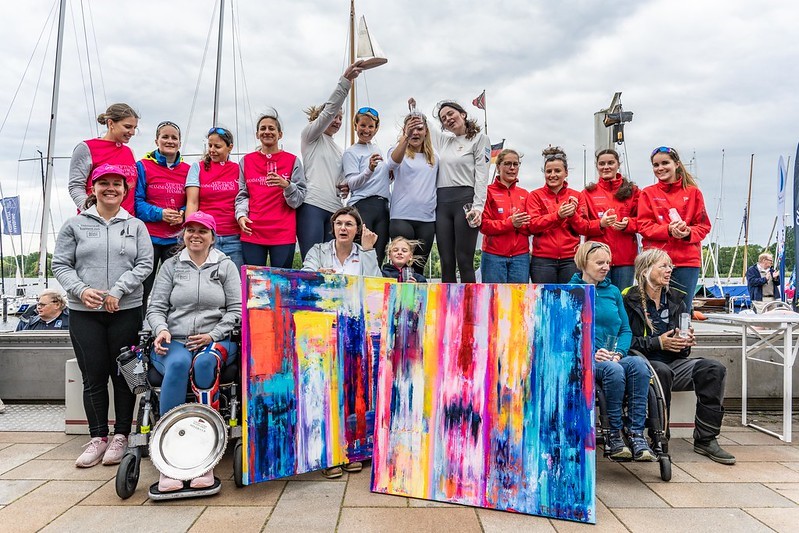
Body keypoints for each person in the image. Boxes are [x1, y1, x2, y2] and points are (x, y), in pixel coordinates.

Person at [53, 163, 153, 468]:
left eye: (117, 184)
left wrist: (118, 291)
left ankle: (121, 434)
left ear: (125, 191)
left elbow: (145, 264)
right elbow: (60, 265)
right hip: (85, 313)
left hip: (125, 310)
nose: (111, 189)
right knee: (93, 376)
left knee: (123, 376)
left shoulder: (135, 226)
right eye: (104, 183)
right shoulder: (75, 225)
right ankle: (98, 437)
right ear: (92, 189)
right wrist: (82, 290)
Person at [146, 211, 242, 492]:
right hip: (174, 338)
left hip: (216, 339)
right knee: (177, 365)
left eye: (202, 230)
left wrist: (212, 335)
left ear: (213, 237)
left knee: (204, 363)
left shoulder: (225, 266)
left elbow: (236, 311)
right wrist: (160, 329)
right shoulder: (171, 266)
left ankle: (204, 457)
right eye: (190, 230)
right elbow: (156, 307)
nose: (195, 235)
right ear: (183, 234)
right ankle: (170, 459)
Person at [623, 248, 735, 465]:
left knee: (714, 369)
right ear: (646, 270)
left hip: (675, 361)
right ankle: (660, 437)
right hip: (642, 362)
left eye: (670, 265)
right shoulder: (629, 297)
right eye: (663, 266)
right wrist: (658, 342)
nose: (669, 270)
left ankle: (706, 439)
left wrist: (684, 343)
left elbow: (683, 348)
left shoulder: (676, 299)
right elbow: (624, 341)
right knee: (661, 371)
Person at [301, 206, 378, 479]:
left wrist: (369, 251)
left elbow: (376, 285)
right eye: (339, 223)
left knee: (354, 391)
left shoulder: (364, 253)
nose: (343, 228)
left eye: (349, 224)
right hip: (323, 329)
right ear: (332, 227)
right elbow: (303, 281)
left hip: (357, 329)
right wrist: (317, 275)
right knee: (325, 391)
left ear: (358, 230)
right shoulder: (317, 251)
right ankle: (328, 453)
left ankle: (352, 450)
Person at [571, 241, 655, 461]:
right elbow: (566, 334)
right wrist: (590, 353)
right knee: (613, 371)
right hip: (585, 359)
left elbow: (625, 329)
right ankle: (613, 434)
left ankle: (636, 433)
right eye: (600, 262)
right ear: (583, 262)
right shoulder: (570, 291)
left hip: (613, 355)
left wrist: (618, 352)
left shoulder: (614, 292)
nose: (606, 267)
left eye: (608, 262)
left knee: (639, 365)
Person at [297, 61, 364, 259]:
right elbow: (329, 109)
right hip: (312, 206)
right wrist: (345, 81)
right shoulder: (311, 136)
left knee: (331, 262)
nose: (336, 120)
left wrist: (345, 186)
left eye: (340, 118)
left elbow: (340, 178)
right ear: (322, 118)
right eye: (333, 116)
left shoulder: (339, 150)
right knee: (312, 260)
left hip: (335, 210)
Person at [637, 146, 711, 313]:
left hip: (686, 261)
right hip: (654, 262)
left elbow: (704, 226)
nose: (660, 168)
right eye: (656, 165)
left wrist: (687, 233)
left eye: (665, 163)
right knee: (652, 312)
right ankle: (658, 340)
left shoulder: (693, 193)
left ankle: (681, 339)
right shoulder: (647, 193)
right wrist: (668, 230)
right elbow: (643, 225)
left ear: (676, 164)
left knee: (681, 313)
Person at [236, 108, 307, 268]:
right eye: (263, 128)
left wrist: (287, 186)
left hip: (282, 233)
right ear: (257, 134)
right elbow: (242, 195)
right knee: (253, 285)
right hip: (252, 231)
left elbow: (298, 200)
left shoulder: (292, 161)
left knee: (280, 286)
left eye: (271, 128)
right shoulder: (246, 161)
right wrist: (240, 216)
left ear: (280, 134)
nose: (267, 132)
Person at [432, 100, 491, 283]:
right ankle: (447, 309)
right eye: (443, 118)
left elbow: (482, 175)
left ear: (462, 114)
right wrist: (413, 107)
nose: (448, 119)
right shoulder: (443, 142)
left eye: (450, 114)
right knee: (446, 261)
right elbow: (423, 122)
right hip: (442, 204)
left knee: (464, 260)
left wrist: (478, 207)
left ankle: (469, 308)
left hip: (465, 202)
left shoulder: (480, 139)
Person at [134, 121, 189, 312]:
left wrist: (183, 212)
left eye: (174, 137)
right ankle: (137, 333)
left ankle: (170, 333)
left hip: (176, 239)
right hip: (149, 238)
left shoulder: (188, 170)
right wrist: (160, 214)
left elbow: (192, 200)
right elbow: (137, 203)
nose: (169, 141)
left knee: (175, 290)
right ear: (156, 140)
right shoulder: (143, 166)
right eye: (165, 136)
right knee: (142, 289)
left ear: (180, 143)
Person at [526, 146, 600, 283]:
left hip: (570, 259)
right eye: (549, 171)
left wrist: (572, 216)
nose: (552, 175)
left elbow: (584, 228)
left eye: (557, 171)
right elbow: (532, 226)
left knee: (570, 301)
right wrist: (557, 216)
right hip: (543, 259)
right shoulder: (535, 195)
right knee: (545, 302)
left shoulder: (577, 195)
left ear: (566, 173)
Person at [579, 149, 640, 290]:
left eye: (610, 163)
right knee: (596, 302)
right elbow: (581, 225)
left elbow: (643, 221)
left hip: (624, 260)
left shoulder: (634, 191)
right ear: (597, 166)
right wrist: (600, 224)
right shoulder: (587, 193)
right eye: (602, 163)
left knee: (622, 301)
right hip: (596, 260)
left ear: (618, 164)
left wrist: (627, 224)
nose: (606, 167)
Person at [386, 114, 438, 274]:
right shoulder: (397, 152)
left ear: (426, 131)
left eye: (419, 129)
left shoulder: (435, 157)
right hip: (402, 217)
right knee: (401, 268)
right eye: (411, 129)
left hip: (427, 220)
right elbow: (392, 164)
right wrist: (405, 138)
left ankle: (417, 300)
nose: (415, 133)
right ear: (405, 131)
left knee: (418, 270)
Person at [185, 127, 243, 270]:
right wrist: (191, 232)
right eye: (210, 145)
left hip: (234, 237)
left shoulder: (238, 169)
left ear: (230, 148)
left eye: (217, 146)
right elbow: (192, 202)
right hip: (207, 236)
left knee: (234, 282)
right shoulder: (197, 168)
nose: (212, 150)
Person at [68, 103, 139, 214]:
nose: (133, 132)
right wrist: (91, 212)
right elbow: (76, 186)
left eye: (135, 128)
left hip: (126, 222)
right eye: (127, 127)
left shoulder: (129, 152)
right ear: (111, 123)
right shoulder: (86, 147)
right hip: (95, 222)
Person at [342, 107, 391, 265]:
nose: (366, 130)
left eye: (371, 126)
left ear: (376, 128)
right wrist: (369, 169)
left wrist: (389, 176)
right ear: (355, 125)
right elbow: (352, 183)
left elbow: (377, 180)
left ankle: (375, 289)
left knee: (379, 256)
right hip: (363, 206)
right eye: (362, 125)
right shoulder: (351, 152)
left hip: (383, 207)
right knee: (362, 255)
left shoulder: (377, 149)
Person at [479, 149, 531, 283]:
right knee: (494, 301)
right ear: (498, 167)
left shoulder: (525, 194)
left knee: (519, 301)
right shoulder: (487, 192)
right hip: (493, 256)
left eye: (516, 164)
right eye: (507, 163)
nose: (512, 168)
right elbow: (484, 225)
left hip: (520, 256)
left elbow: (531, 224)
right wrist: (510, 223)